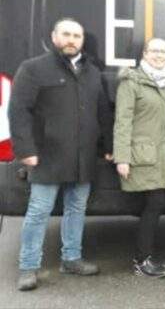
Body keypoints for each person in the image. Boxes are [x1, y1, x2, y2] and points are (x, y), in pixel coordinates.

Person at [9, 18, 113, 291]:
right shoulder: (33, 69)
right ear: (54, 36)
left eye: (77, 36)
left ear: (82, 41)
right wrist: (25, 150)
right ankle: (28, 267)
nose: (71, 40)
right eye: (66, 34)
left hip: (83, 156)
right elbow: (18, 112)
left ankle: (72, 259)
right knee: (39, 212)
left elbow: (103, 114)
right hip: (47, 156)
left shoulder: (93, 73)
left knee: (77, 209)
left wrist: (110, 147)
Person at [113, 38, 165, 278]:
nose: (159, 55)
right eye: (154, 50)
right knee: (155, 203)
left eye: (163, 51)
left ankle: (144, 258)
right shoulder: (131, 82)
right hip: (141, 155)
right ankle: (141, 260)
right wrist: (122, 157)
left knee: (154, 205)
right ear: (144, 54)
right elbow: (123, 121)